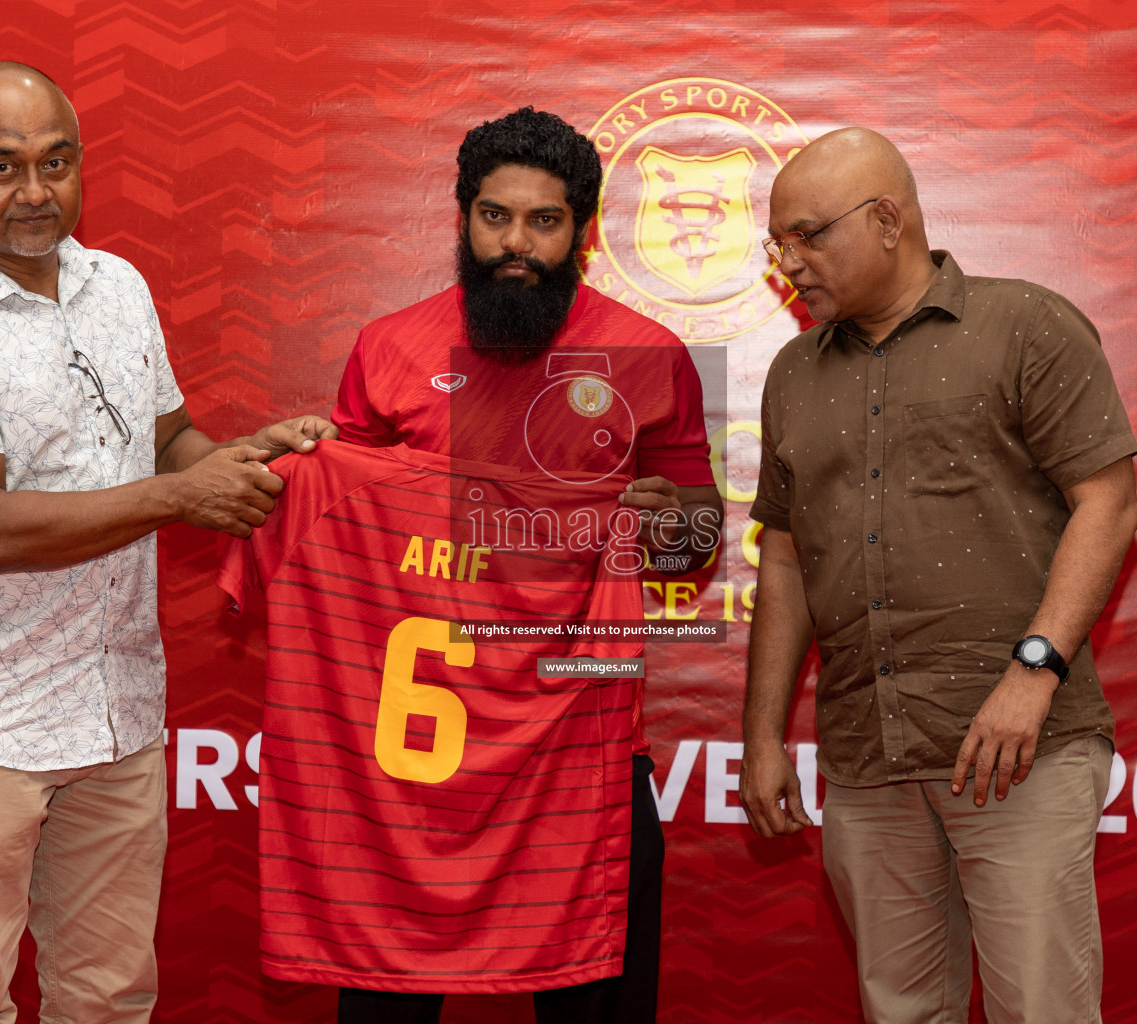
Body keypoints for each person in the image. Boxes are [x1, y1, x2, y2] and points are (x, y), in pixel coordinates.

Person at [0, 61, 335, 1024]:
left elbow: (163, 440)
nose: (35, 191)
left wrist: (250, 463)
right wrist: (178, 496)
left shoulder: (118, 285)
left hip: (118, 710)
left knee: (110, 997)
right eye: (2, 166)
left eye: (56, 161)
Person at [322, 107, 724, 1023]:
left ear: (581, 231)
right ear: (462, 217)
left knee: (596, 1009)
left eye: (544, 222)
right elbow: (343, 534)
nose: (517, 243)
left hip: (582, 748)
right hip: (416, 749)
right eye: (495, 216)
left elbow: (696, 534)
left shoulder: (649, 354)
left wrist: (670, 528)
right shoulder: (390, 348)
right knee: (387, 1007)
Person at [738, 128, 1137, 1024]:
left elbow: (1108, 506)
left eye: (807, 234)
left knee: (1043, 1009)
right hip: (866, 754)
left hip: (1017, 749)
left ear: (887, 219)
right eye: (779, 243)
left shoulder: (1027, 324)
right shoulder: (792, 374)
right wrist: (763, 735)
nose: (790, 261)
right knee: (902, 1011)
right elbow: (789, 561)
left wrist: (1034, 671)